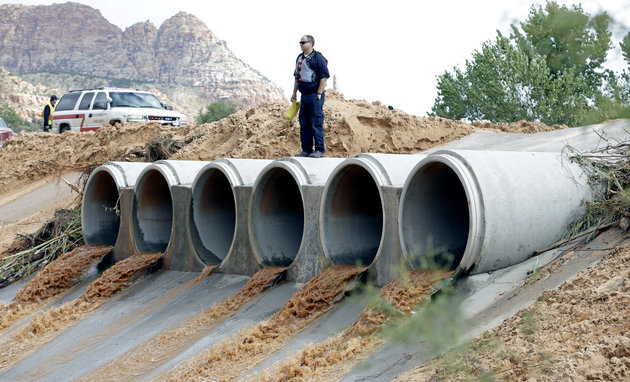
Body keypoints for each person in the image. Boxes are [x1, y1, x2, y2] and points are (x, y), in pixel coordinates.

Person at [291, 34, 330, 158]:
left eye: (303, 42)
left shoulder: (318, 57)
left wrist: (319, 93)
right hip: (304, 95)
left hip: (314, 95)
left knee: (316, 121)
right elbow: (297, 77)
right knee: (304, 122)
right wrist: (294, 93)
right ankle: (306, 149)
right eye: (300, 43)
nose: (300, 44)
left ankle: (319, 150)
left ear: (310, 43)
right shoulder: (299, 58)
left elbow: (324, 76)